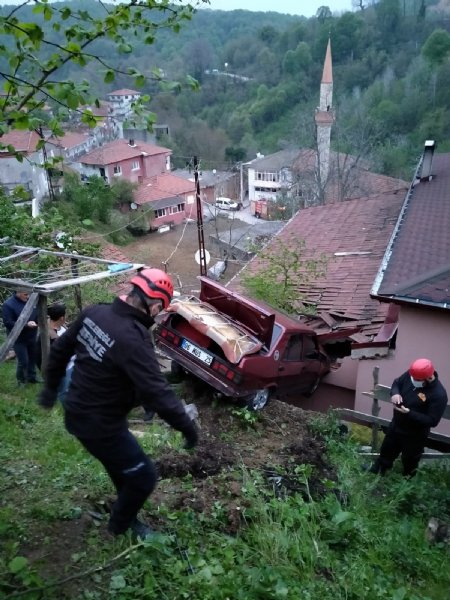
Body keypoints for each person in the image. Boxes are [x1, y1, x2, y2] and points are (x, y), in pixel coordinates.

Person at [37, 268, 199, 539]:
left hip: (77, 412)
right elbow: (158, 391)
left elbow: (60, 351)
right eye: (160, 310)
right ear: (156, 305)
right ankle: (119, 527)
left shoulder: (95, 313)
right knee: (144, 477)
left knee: (121, 468)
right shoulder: (133, 339)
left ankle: (125, 516)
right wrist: (187, 427)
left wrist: (50, 390)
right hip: (101, 425)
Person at [369, 358, 448, 477]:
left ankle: (407, 480)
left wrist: (409, 413)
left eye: (416, 380)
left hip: (414, 434)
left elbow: (432, 421)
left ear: (428, 378)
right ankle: (378, 469)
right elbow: (397, 383)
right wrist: (395, 393)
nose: (413, 381)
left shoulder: (439, 395)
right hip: (397, 424)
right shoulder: (413, 374)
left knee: (410, 459)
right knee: (387, 449)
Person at [35, 303, 73, 402]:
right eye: (65, 315)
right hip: (57, 367)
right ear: (61, 318)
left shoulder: (57, 324)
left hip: (64, 363)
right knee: (63, 388)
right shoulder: (49, 336)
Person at [2, 289, 39, 385]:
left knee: (32, 357)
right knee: (23, 361)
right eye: (25, 294)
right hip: (18, 337)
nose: (28, 297)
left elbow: (37, 313)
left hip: (32, 335)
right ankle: (21, 381)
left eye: (29, 294)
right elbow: (8, 323)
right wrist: (26, 324)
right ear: (18, 292)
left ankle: (32, 377)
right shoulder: (8, 305)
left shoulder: (31, 300)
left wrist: (38, 322)